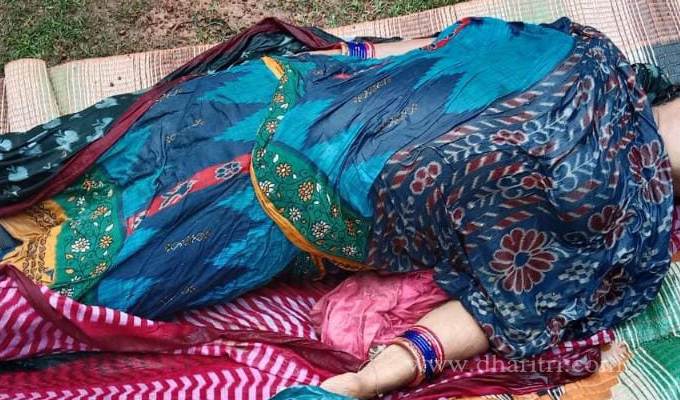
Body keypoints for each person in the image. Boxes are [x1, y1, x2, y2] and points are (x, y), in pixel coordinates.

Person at [0, 16, 677, 398]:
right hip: (253, 103)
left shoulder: (620, 218)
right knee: (43, 185)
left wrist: (361, 383)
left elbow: (488, 312)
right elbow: (428, 49)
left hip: (252, 210)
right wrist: (337, 53)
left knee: (43, 278)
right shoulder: (593, 59)